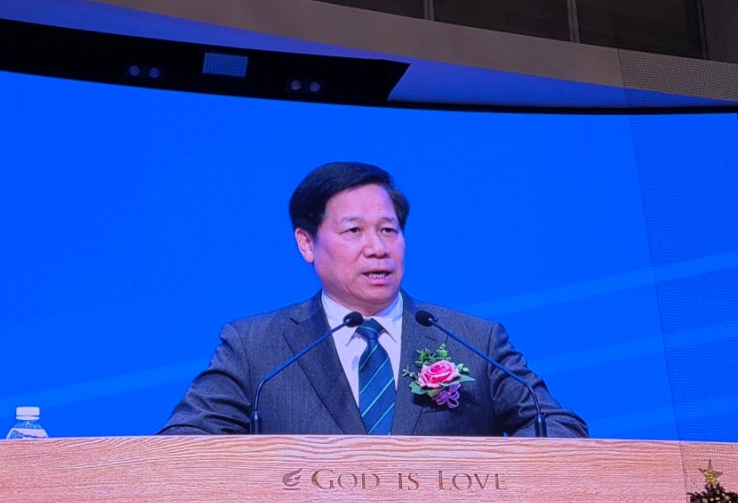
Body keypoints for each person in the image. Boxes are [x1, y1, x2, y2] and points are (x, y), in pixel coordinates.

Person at [158, 161, 588, 437]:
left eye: (388, 230)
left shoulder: (474, 340)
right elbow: (183, 443)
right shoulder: (255, 347)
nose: (377, 248)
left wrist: (486, 472)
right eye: (354, 231)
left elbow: (558, 426)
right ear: (306, 243)